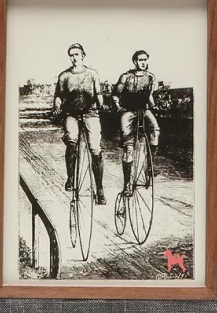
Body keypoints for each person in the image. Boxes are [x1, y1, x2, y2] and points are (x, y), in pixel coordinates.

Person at [53, 43, 106, 205]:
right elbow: (58, 96)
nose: (74, 58)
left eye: (76, 54)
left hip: (91, 114)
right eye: (71, 55)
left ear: (83, 55)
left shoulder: (92, 74)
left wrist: (101, 104)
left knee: (95, 149)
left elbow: (98, 93)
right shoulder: (64, 76)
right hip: (72, 115)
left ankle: (100, 189)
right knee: (71, 140)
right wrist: (57, 106)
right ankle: (70, 177)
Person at [112, 50, 160, 197]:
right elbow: (115, 94)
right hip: (129, 111)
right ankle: (127, 185)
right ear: (135, 62)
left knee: (155, 131)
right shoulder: (126, 77)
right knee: (128, 148)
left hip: (144, 110)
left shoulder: (151, 77)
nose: (143, 62)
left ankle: (150, 166)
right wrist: (118, 107)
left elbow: (150, 96)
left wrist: (154, 106)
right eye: (140, 60)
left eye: (145, 60)